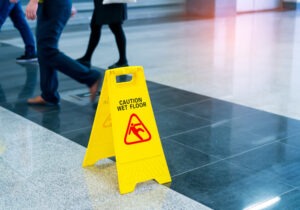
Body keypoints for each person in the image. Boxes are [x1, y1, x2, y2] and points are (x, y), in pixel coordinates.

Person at [24, 0, 101, 105]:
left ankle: (91, 77)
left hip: (53, 4)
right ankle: (48, 95)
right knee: (44, 50)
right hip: (53, 4)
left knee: (48, 50)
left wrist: (33, 2)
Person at [77, 0, 129, 69]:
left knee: (115, 27)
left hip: (111, 3)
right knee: (96, 25)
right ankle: (87, 58)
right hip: (105, 3)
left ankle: (123, 60)